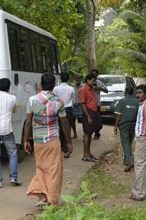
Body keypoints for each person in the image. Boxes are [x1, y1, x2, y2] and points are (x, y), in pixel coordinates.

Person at [24, 73, 72, 207]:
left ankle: (41, 198)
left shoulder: (32, 100)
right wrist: (68, 142)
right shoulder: (59, 101)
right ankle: (52, 200)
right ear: (53, 86)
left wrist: (26, 140)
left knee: (40, 168)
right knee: (53, 170)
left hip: (38, 141)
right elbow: (64, 123)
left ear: (41, 84)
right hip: (53, 140)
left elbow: (28, 122)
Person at [114, 87, 139, 172]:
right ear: (132, 93)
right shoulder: (136, 102)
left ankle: (130, 161)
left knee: (125, 143)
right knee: (129, 142)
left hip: (124, 125)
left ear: (125, 92)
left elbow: (118, 115)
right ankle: (126, 160)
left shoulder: (121, 101)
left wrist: (115, 126)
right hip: (133, 124)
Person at [79, 73, 101, 162]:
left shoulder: (91, 89)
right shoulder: (83, 90)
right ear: (87, 80)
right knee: (87, 134)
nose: (95, 82)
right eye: (93, 80)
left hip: (94, 112)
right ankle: (85, 155)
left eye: (95, 80)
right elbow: (83, 104)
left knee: (90, 133)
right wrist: (88, 116)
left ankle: (88, 153)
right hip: (88, 113)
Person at [53, 72, 75, 158]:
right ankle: (67, 146)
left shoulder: (55, 88)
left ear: (60, 78)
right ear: (68, 78)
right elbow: (71, 97)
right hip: (68, 109)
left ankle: (64, 147)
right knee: (67, 127)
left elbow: (54, 98)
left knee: (61, 129)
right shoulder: (71, 88)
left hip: (59, 108)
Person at [91, 69, 108, 140]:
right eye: (93, 74)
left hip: (97, 104)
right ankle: (90, 133)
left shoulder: (99, 83)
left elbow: (106, 90)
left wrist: (100, 88)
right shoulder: (88, 83)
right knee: (91, 120)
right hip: (89, 104)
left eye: (95, 74)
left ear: (97, 75)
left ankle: (97, 132)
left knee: (98, 121)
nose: (94, 75)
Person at [71, 74, 83, 139]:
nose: (77, 79)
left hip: (81, 104)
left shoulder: (83, 86)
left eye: (79, 78)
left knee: (84, 120)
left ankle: (85, 134)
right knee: (72, 121)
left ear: (81, 79)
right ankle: (75, 134)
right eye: (76, 78)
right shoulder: (72, 87)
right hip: (74, 104)